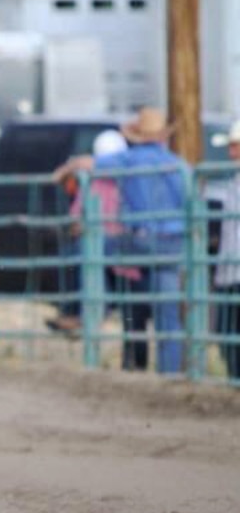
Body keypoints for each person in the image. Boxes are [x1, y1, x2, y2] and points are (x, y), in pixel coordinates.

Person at [54, 108, 188, 374]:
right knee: (167, 314)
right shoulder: (180, 166)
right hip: (173, 244)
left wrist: (64, 170)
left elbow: (86, 164)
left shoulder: (127, 159)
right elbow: (194, 199)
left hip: (140, 241)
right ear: (162, 136)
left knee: (90, 249)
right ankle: (170, 373)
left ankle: (90, 308)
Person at [206, 120, 240, 379]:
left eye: (236, 147)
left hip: (232, 269)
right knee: (227, 334)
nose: (232, 153)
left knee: (230, 332)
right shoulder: (231, 183)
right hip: (229, 269)